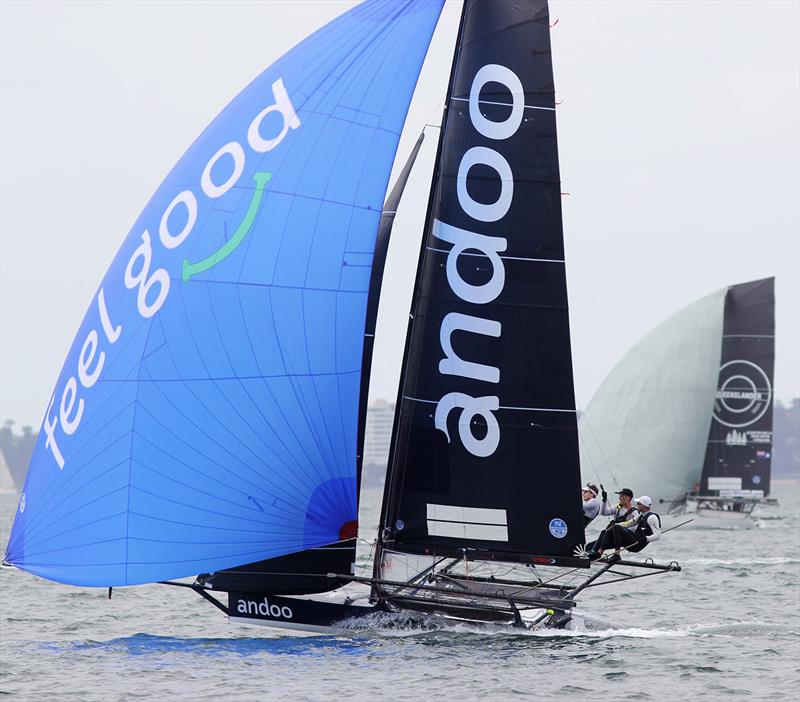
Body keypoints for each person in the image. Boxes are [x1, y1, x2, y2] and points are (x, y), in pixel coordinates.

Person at [597, 495, 662, 560]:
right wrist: (614, 524)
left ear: (643, 505)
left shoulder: (652, 517)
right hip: (633, 541)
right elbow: (627, 524)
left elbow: (658, 535)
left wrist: (646, 538)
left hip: (638, 545)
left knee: (616, 528)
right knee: (611, 529)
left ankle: (617, 555)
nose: (636, 505)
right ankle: (598, 553)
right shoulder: (639, 516)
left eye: (638, 503)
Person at [586, 488, 639, 559]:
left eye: (621, 496)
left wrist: (620, 527)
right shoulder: (619, 507)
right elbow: (604, 513)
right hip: (613, 535)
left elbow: (634, 529)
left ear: (628, 498)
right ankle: (594, 553)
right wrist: (604, 500)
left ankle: (601, 553)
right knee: (589, 546)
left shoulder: (634, 512)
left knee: (613, 529)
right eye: (619, 496)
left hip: (625, 538)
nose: (619, 498)